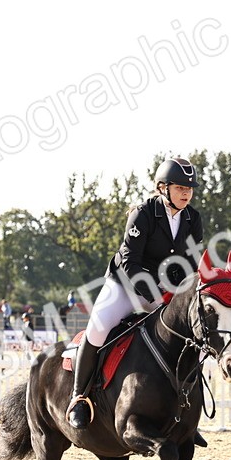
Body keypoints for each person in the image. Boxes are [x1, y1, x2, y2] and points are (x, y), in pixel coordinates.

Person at [66, 157, 204, 428]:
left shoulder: (193, 218)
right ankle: (79, 397)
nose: (186, 193)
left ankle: (186, 411)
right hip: (125, 285)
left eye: (189, 188)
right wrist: (157, 292)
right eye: (180, 188)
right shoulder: (142, 213)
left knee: (191, 334)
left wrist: (178, 294)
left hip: (165, 291)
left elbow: (191, 265)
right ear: (163, 188)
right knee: (98, 329)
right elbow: (131, 262)